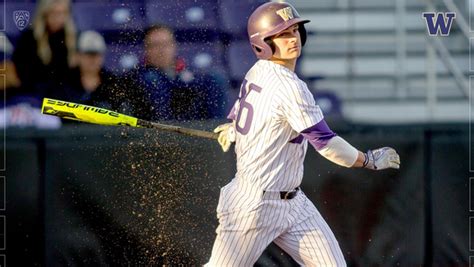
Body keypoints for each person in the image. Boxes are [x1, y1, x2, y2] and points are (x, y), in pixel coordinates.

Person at [208, 2, 400, 266]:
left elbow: (244, 111)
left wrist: (235, 127)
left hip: (293, 202)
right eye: (282, 34)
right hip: (254, 205)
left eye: (295, 30)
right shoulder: (290, 87)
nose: (293, 38)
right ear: (262, 42)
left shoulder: (258, 71)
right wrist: (367, 160)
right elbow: (327, 144)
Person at [129, 24, 227, 121]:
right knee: (152, 79)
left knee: (216, 78)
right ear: (146, 49)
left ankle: (216, 129)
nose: (161, 50)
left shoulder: (188, 72)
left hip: (189, 119)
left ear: (174, 46)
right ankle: (165, 131)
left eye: (166, 44)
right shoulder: (137, 75)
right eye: (155, 45)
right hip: (157, 125)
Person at [12, 0, 77, 101]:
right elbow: (23, 76)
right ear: (45, 13)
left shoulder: (72, 39)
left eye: (63, 13)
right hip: (35, 98)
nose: (59, 18)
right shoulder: (29, 39)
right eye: (54, 13)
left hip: (64, 100)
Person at [67, 30, 135, 115]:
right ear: (78, 55)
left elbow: (122, 112)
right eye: (88, 54)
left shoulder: (113, 83)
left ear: (102, 56)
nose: (92, 59)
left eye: (96, 54)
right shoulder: (64, 82)